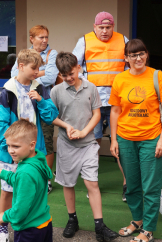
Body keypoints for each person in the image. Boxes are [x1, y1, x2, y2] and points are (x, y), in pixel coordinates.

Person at [109, 39, 162, 242]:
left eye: (141, 54)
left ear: (146, 54)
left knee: (151, 187)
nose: (138, 58)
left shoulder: (157, 75)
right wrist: (113, 139)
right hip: (126, 139)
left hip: (152, 138)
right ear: (126, 58)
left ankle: (149, 229)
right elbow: (115, 110)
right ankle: (137, 220)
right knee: (132, 186)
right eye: (133, 55)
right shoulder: (120, 79)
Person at [51, 52, 119, 241]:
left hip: (88, 143)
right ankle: (72, 220)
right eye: (64, 76)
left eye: (71, 73)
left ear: (78, 68)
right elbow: (51, 116)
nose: (69, 78)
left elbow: (97, 114)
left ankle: (99, 225)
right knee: (68, 183)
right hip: (66, 144)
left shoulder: (91, 87)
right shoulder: (56, 91)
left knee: (92, 183)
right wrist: (67, 127)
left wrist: (83, 132)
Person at [0, 48, 58, 242]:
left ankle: (32, 221)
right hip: (12, 151)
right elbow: (0, 123)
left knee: (33, 188)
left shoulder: (40, 88)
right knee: (7, 190)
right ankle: (4, 228)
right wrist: (10, 148)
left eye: (39, 68)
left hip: (33, 150)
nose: (37, 72)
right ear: (21, 66)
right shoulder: (7, 91)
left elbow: (51, 116)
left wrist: (41, 101)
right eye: (34, 68)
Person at [72, 11, 128, 201]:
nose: (104, 31)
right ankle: (92, 184)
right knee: (92, 144)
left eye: (108, 27)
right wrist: (85, 83)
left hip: (117, 102)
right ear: (94, 27)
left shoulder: (123, 40)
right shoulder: (84, 41)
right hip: (92, 102)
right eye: (101, 27)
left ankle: (127, 185)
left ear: (113, 27)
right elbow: (74, 66)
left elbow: (129, 68)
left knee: (120, 143)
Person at [11, 25, 59, 194]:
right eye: (41, 37)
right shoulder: (24, 54)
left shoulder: (52, 54)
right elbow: (13, 76)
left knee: (45, 142)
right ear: (31, 38)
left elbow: (51, 76)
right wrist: (40, 72)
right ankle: (26, 176)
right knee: (23, 142)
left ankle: (46, 180)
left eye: (46, 37)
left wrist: (30, 73)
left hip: (42, 103)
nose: (45, 40)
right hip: (22, 107)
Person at [0, 119, 53, 242]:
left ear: (32, 145)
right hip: (44, 222)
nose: (10, 150)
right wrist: (4, 174)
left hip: (29, 229)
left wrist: (5, 216)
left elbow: (21, 209)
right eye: (8, 145)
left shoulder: (25, 172)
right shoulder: (38, 159)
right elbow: (22, 181)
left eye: (16, 146)